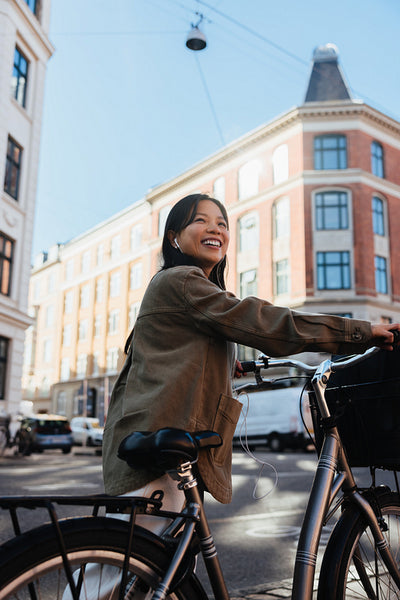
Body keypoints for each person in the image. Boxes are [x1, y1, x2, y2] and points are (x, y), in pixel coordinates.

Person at [102, 193, 400, 525]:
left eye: (222, 223)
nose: (215, 228)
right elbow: (260, 322)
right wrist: (358, 332)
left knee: (160, 565)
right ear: (174, 236)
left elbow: (168, 350)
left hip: (154, 442)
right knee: (125, 568)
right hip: (157, 454)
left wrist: (227, 363)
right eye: (200, 220)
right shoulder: (183, 280)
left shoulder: (179, 286)